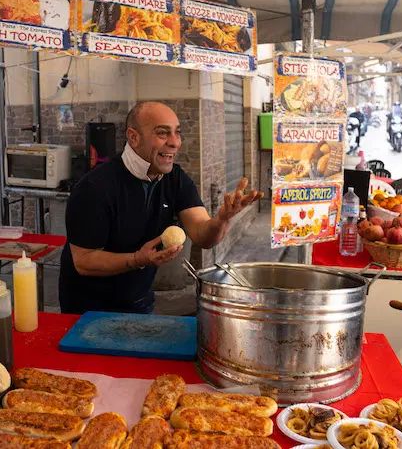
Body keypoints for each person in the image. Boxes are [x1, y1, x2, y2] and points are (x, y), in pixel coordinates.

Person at [59, 101, 263, 314]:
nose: (175, 143)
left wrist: (222, 220)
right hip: (88, 309)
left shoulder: (175, 179)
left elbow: (203, 235)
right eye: (163, 133)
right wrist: (137, 259)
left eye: (177, 133)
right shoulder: (95, 187)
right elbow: (84, 261)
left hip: (139, 301)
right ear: (133, 137)